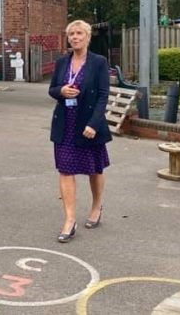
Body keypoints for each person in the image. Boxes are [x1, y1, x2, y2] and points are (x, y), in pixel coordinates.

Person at [48, 20, 111, 243]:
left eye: (79, 33)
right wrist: (61, 91)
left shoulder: (99, 62)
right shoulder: (62, 62)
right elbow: (52, 90)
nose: (75, 37)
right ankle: (70, 220)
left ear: (88, 36)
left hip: (89, 124)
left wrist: (94, 124)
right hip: (65, 123)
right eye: (71, 34)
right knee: (65, 170)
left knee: (95, 169)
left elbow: (104, 95)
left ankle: (96, 206)